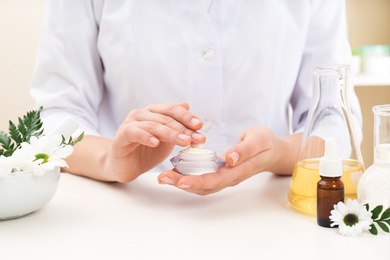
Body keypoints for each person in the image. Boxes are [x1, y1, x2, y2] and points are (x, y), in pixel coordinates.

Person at [30, 0, 362, 195]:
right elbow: (57, 114)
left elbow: (335, 119)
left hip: (266, 211)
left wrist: (279, 152)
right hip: (127, 208)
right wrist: (108, 159)